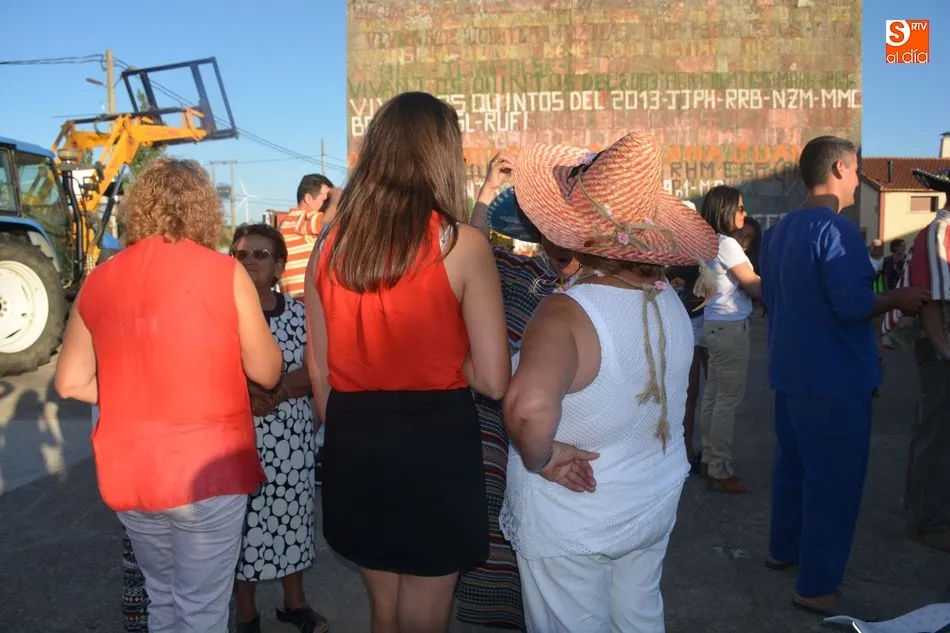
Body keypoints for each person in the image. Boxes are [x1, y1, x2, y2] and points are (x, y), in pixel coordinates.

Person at [304, 91, 510, 633]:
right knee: (425, 609)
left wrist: (346, 421)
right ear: (440, 154)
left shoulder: (327, 246)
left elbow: (318, 368)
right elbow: (493, 379)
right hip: (434, 440)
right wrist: (450, 355)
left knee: (385, 607)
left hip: (353, 433)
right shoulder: (461, 244)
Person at [500, 131, 719, 632]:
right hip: (649, 502)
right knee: (638, 620)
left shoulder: (567, 312)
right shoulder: (667, 300)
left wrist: (543, 458)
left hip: (574, 518)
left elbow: (527, 408)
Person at [54, 158, 283, 633]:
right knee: (201, 611)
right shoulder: (225, 272)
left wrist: (132, 392)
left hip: (132, 472)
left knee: (162, 598)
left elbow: (70, 382)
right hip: (209, 471)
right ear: (205, 210)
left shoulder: (100, 278)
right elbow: (266, 372)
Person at [759, 136, 929, 619]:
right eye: (856, 170)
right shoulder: (838, 231)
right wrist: (897, 298)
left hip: (790, 373)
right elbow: (853, 305)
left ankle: (784, 550)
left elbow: (771, 296)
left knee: (793, 469)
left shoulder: (778, 232)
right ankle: (817, 588)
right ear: (838, 168)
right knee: (834, 482)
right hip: (834, 380)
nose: (858, 181)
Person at [455, 153, 579, 630]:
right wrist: (487, 192)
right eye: (552, 230)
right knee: (494, 532)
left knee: (555, 562)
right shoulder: (514, 271)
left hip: (564, 438)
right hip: (492, 432)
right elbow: (471, 253)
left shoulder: (596, 290)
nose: (560, 242)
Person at [229, 224, 327, 633]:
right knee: (243, 525)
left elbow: (316, 367)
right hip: (239, 443)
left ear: (280, 267)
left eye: (260, 254)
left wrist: (277, 390)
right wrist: (250, 394)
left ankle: (294, 603)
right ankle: (246, 613)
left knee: (293, 518)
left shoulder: (299, 313)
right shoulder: (223, 315)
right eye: (241, 254)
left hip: (292, 442)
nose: (249, 261)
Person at [893, 168, 950, 554]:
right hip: (941, 346)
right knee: (937, 434)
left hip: (941, 344)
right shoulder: (939, 232)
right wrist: (944, 349)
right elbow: (930, 300)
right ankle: (927, 522)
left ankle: (927, 510)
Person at [698, 185, 761, 494]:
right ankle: (720, 468)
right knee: (725, 402)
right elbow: (754, 286)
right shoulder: (728, 244)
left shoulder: (708, 242)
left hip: (715, 324)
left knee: (713, 398)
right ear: (725, 210)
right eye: (740, 208)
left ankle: (710, 461)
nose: (744, 214)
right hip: (730, 328)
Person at [278, 174, 334, 299]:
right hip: (303, 302)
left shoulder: (298, 226)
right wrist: (337, 197)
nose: (328, 206)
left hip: (303, 302)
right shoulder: (297, 220)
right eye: (326, 200)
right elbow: (330, 220)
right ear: (308, 199)